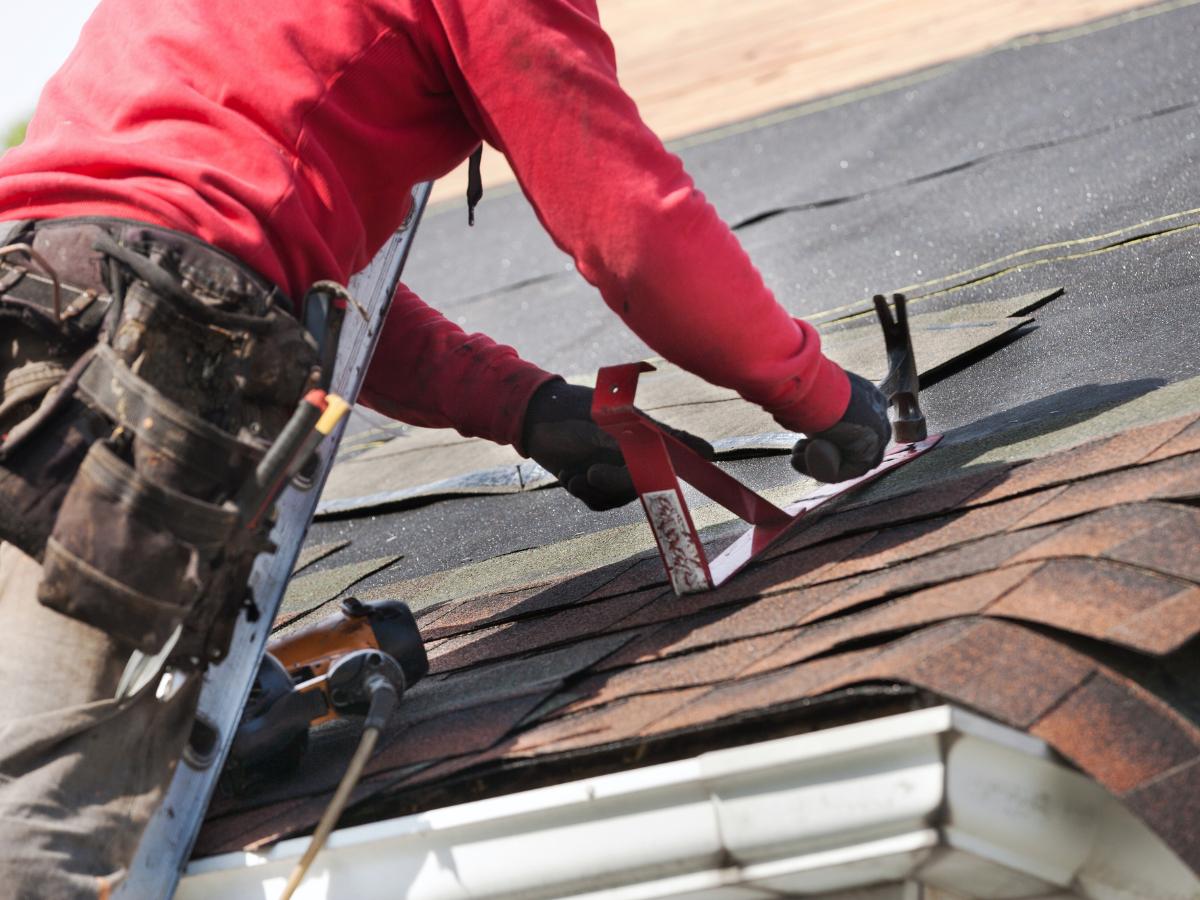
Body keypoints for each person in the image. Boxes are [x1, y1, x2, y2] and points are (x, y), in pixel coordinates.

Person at [0, 0, 891, 894]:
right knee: (36, 826)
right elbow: (631, 228)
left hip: (33, 315)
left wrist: (525, 407)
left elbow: (268, 271)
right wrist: (812, 391)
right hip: (148, 369)